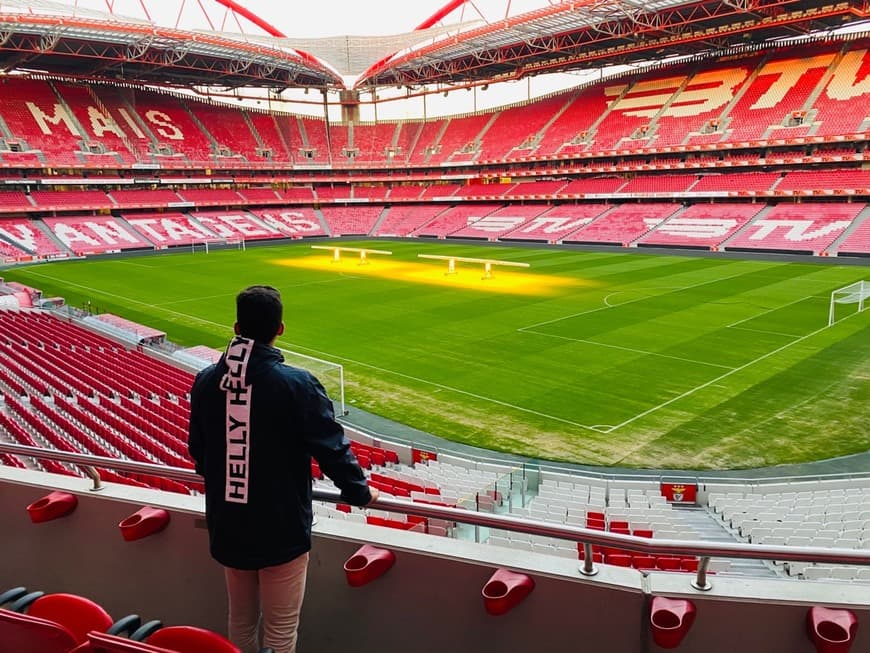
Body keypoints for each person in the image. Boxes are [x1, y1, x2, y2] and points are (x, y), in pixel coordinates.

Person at [188, 285, 378, 653]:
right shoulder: (297, 384)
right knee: (279, 632)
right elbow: (332, 447)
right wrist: (359, 491)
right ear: (281, 328)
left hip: (228, 524)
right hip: (280, 529)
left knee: (239, 622)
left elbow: (199, 451)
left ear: (236, 326)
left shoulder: (207, 380)